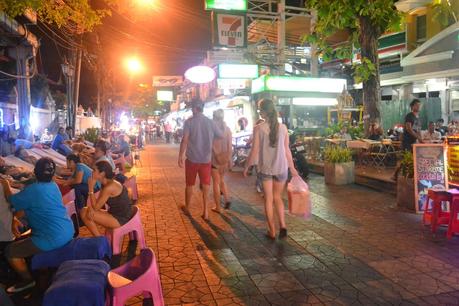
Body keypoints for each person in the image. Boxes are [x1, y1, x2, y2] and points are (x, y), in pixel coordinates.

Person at [4, 158, 74, 293]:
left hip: (52, 237)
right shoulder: (53, 185)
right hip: (67, 230)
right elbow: (32, 199)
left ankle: (27, 280)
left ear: (35, 172)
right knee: (25, 238)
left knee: (10, 251)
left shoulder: (33, 190)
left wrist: (6, 184)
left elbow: (11, 200)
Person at [243, 99, 299, 240]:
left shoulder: (259, 128)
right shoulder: (283, 128)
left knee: (268, 199)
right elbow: (287, 150)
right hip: (282, 168)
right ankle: (283, 226)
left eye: (259, 110)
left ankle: (272, 231)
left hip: (266, 169)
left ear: (262, 112)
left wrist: (247, 166)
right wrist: (292, 168)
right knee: (278, 198)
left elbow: (254, 151)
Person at [178, 99, 224, 220]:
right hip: (206, 160)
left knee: (189, 185)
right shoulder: (210, 122)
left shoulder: (189, 122)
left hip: (192, 159)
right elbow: (221, 135)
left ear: (194, 108)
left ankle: (187, 208)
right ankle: (206, 212)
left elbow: (185, 140)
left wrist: (180, 156)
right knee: (206, 185)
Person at [80, 161, 132, 237]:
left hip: (121, 219)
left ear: (102, 173)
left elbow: (96, 207)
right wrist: (91, 208)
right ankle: (99, 238)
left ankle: (99, 239)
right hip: (115, 213)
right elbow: (97, 204)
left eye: (94, 170)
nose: (92, 172)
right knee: (84, 211)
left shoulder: (109, 187)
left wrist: (90, 188)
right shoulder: (105, 184)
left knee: (87, 213)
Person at [210, 109, 232, 213]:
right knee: (222, 180)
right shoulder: (227, 129)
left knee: (216, 183)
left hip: (215, 159)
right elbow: (229, 146)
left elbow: (209, 145)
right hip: (225, 159)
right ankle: (227, 199)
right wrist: (229, 159)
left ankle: (218, 207)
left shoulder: (212, 130)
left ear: (214, 117)